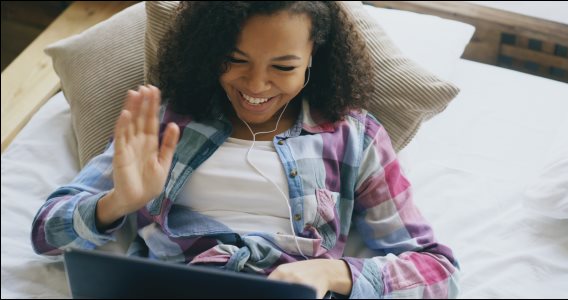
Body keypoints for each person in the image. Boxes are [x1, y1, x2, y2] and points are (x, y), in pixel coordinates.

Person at [31, 2, 459, 298]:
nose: (255, 86)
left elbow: (438, 273)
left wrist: (331, 272)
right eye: (235, 60)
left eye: (283, 67)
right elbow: (46, 234)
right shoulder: (165, 122)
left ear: (315, 56)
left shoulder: (354, 137)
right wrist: (116, 203)